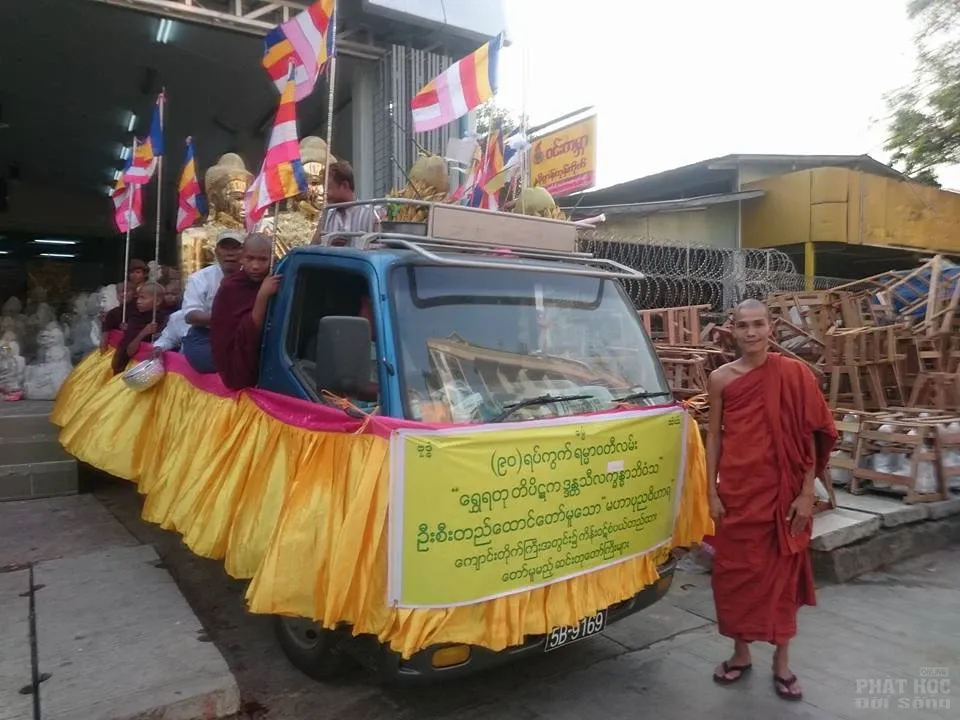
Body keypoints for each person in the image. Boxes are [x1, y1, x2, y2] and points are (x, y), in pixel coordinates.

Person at [706, 299, 836, 701]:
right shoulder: (721, 379)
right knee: (734, 577)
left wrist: (806, 493)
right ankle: (740, 653)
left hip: (783, 497)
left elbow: (809, 436)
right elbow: (715, 437)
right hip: (738, 494)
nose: (751, 332)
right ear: (732, 330)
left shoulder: (795, 374)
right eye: (743, 325)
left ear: (771, 328)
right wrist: (710, 491)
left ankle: (782, 662)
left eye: (758, 324)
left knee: (783, 580)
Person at [209, 233, 279, 390]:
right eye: (250, 258)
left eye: (263, 259)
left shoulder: (278, 281)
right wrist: (263, 295)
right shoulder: (231, 286)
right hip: (238, 360)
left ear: (273, 259)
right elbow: (248, 330)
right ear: (241, 258)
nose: (255, 266)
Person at [180, 231, 243, 373]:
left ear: (244, 252)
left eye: (235, 248)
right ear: (216, 252)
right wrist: (225, 319)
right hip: (206, 336)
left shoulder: (253, 277)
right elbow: (190, 315)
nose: (230, 253)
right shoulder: (200, 278)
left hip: (242, 335)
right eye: (225, 248)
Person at [309, 161, 379, 246]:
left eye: (329, 188)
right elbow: (313, 247)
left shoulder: (369, 214)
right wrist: (328, 242)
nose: (325, 194)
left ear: (345, 185)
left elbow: (382, 248)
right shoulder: (327, 215)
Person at [111, 282, 170, 375]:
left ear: (157, 301)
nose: (138, 301)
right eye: (138, 297)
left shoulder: (164, 316)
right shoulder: (135, 318)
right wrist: (144, 333)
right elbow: (129, 351)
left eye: (142, 298)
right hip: (126, 367)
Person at [100, 282, 136, 352]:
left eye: (126, 291)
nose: (122, 295)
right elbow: (105, 334)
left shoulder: (141, 310)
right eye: (118, 292)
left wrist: (130, 329)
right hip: (116, 350)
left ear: (135, 293)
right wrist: (103, 347)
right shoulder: (113, 313)